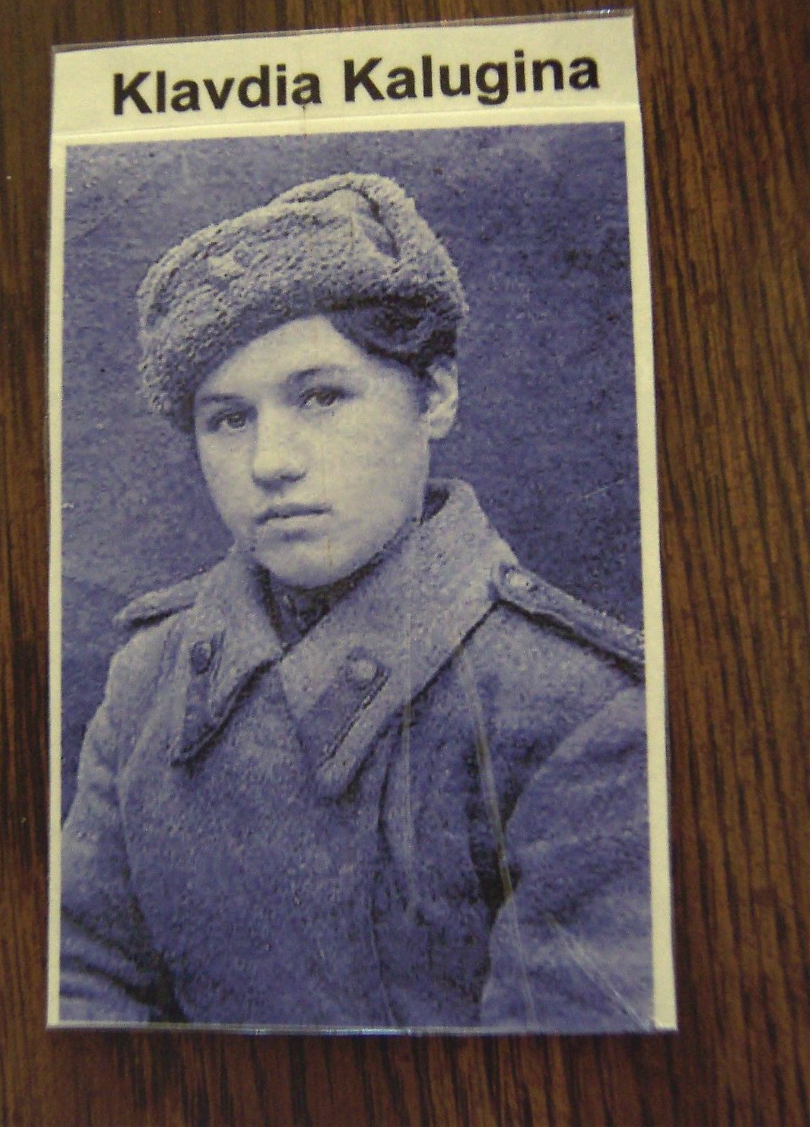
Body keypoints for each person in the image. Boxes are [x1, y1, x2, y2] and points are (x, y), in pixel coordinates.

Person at [59, 172, 653, 1031]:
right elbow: (81, 987)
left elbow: (561, 1077)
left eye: (321, 396)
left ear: (435, 395)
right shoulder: (148, 679)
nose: (271, 461)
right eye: (227, 418)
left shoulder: (579, 712)